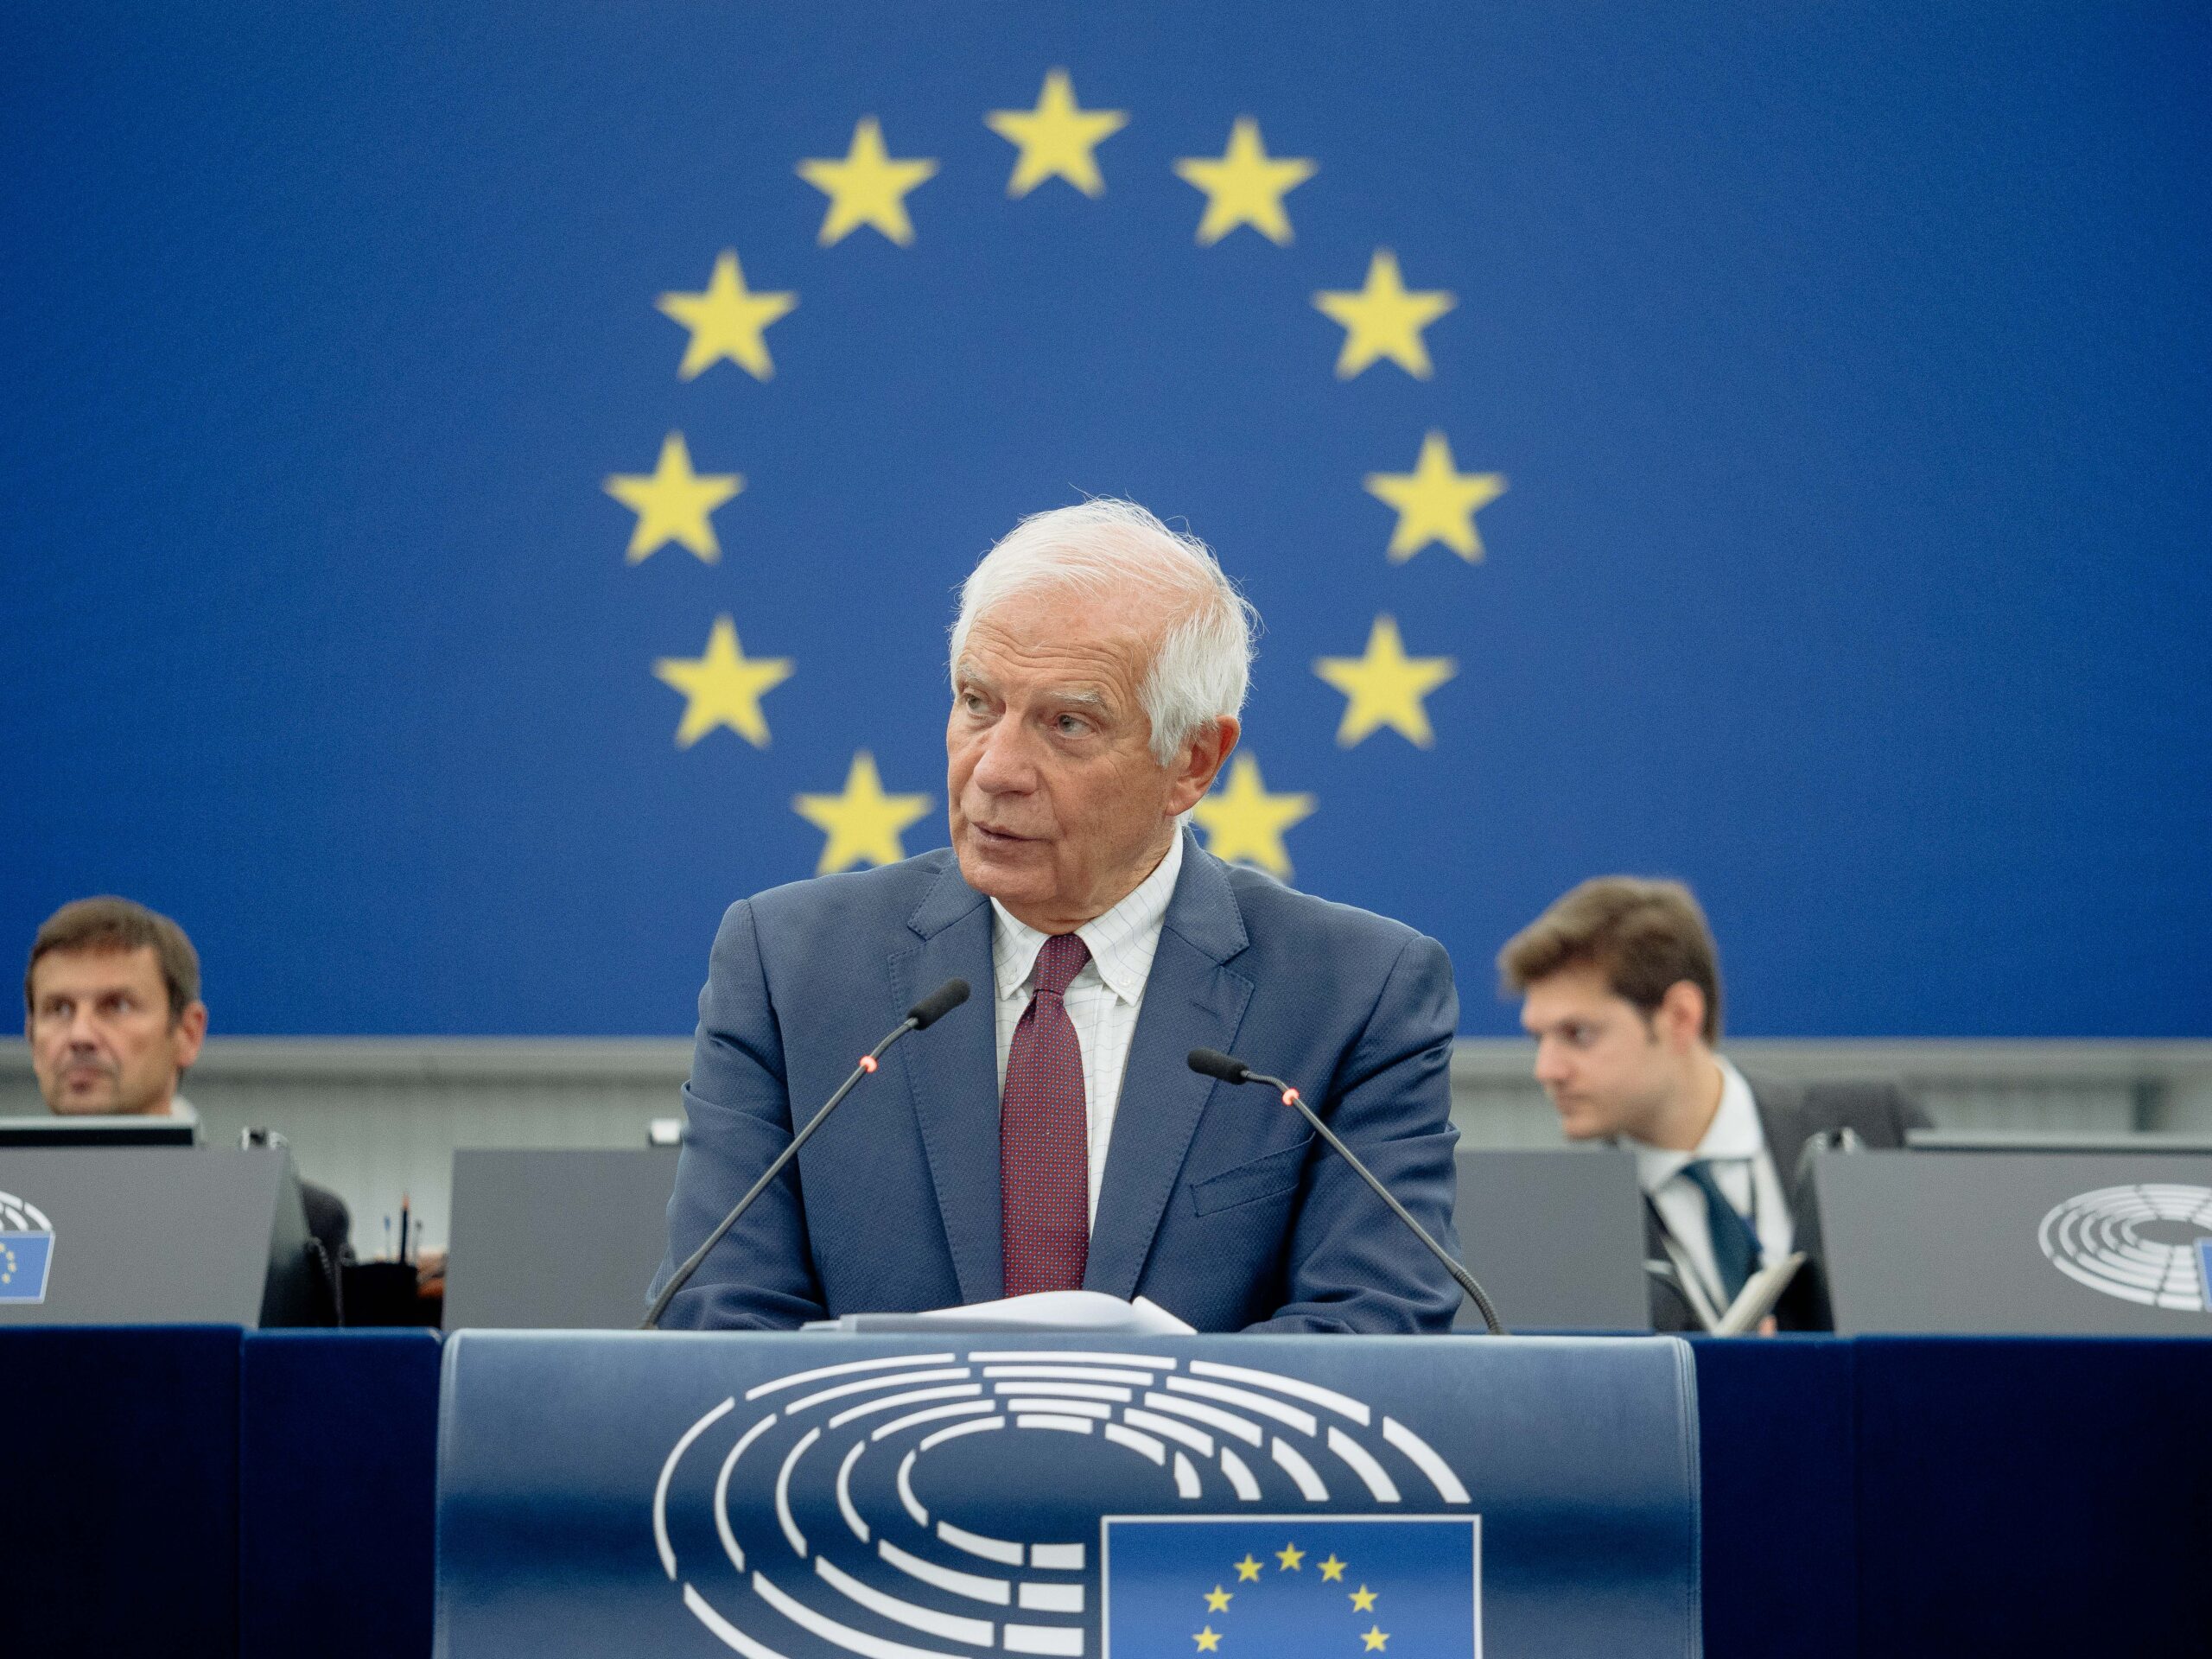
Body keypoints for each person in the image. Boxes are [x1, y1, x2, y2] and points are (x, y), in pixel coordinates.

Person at [652, 499, 1464, 1332]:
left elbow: (1376, 1329)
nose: (995, 769)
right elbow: (718, 1322)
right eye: (977, 702)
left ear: (1193, 761)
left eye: (1068, 723)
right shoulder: (790, 967)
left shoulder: (1355, 994)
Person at [1498, 876, 1925, 1331]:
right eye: (1538, 1038)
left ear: (1681, 1017)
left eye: (1578, 1035)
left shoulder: (1880, 1125)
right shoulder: (1566, 1227)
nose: (1546, 1069)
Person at [23, 896, 353, 1293]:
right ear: (31, 1038)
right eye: (58, 1009)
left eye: (117, 1006)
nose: (79, 1036)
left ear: (188, 1033)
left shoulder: (286, 1225)